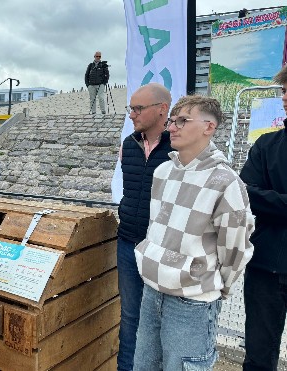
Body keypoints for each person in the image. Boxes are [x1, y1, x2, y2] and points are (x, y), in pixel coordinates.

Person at [133, 95, 254, 369]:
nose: (172, 127)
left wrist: (215, 285)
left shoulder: (226, 182)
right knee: (143, 364)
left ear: (208, 127)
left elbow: (235, 248)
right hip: (152, 289)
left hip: (192, 301)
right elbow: (156, 227)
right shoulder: (163, 171)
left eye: (183, 121)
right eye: (172, 121)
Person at [116, 83, 172, 371]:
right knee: (129, 318)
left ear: (162, 110)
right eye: (131, 108)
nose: (132, 115)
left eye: (138, 109)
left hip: (162, 249)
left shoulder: (179, 146)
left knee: (162, 321)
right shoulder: (129, 143)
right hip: (127, 243)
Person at [239, 65, 287, 370]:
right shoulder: (267, 145)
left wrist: (271, 201)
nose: (285, 96)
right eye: (283, 90)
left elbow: (258, 195)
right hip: (265, 266)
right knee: (258, 357)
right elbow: (245, 195)